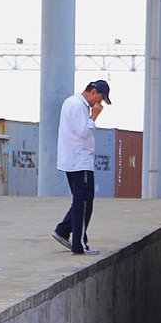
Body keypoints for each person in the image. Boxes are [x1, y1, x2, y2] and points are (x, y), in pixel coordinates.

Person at [52, 79, 110, 256]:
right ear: (93, 92)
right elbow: (83, 132)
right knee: (84, 204)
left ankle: (62, 230)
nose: (99, 103)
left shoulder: (73, 103)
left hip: (73, 161)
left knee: (80, 201)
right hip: (80, 162)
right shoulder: (78, 106)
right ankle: (79, 244)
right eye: (100, 98)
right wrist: (94, 116)